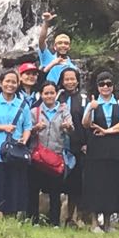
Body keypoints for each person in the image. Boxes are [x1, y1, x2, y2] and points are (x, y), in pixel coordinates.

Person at [0, 69, 33, 217]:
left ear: (18, 84)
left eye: (14, 82)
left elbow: (28, 127)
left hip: (15, 154)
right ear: (1, 84)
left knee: (12, 190)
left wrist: (24, 139)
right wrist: (3, 127)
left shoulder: (23, 105)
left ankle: (10, 221)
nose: (10, 84)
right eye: (7, 81)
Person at [82, 72, 119, 232]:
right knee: (96, 185)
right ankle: (94, 223)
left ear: (113, 86)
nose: (105, 87)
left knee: (112, 185)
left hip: (115, 150)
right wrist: (90, 109)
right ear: (97, 87)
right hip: (96, 151)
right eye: (102, 84)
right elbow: (85, 124)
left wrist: (107, 131)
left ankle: (108, 223)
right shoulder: (93, 103)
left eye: (108, 84)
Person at [28, 81, 73, 226]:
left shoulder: (63, 111)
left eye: (52, 93)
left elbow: (70, 129)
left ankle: (54, 222)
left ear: (56, 94)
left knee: (55, 191)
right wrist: (35, 128)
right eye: (46, 93)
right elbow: (27, 132)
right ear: (41, 95)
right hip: (38, 157)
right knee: (33, 190)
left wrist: (67, 127)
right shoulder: (34, 112)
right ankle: (33, 220)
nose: (49, 96)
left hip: (55, 156)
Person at [57, 67, 87, 226]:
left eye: (72, 79)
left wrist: (86, 142)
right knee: (60, 183)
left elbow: (88, 121)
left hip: (78, 147)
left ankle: (76, 217)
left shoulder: (83, 98)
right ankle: (57, 216)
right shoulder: (57, 97)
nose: (69, 82)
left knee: (77, 183)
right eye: (66, 79)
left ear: (77, 80)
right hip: (59, 146)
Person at [38, 13, 78, 86]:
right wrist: (46, 22)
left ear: (69, 47)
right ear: (55, 46)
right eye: (60, 43)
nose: (63, 45)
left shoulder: (73, 67)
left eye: (66, 43)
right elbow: (41, 40)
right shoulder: (47, 57)